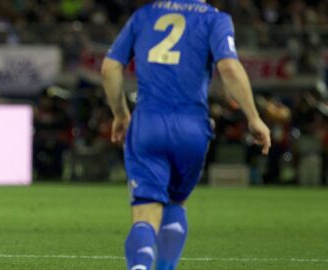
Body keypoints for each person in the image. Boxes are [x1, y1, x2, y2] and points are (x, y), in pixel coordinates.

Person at [100, 1, 271, 270]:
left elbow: (109, 68)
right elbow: (229, 68)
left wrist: (121, 115)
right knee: (176, 202)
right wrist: (253, 117)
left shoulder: (145, 14)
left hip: (148, 124)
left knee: (145, 211)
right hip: (192, 127)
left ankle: (139, 266)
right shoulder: (216, 19)